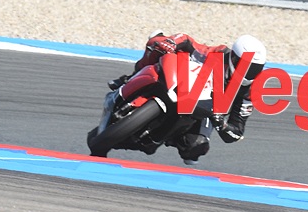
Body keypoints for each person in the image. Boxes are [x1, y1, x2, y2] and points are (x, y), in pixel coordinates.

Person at [107, 32, 267, 164]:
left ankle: (164, 136)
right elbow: (187, 40)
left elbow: (236, 132)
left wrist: (222, 124)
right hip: (184, 84)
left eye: (255, 68)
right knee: (157, 44)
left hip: (206, 111)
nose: (249, 72)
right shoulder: (217, 54)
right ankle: (131, 78)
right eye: (245, 66)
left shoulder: (250, 91)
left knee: (196, 148)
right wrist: (172, 43)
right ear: (233, 58)